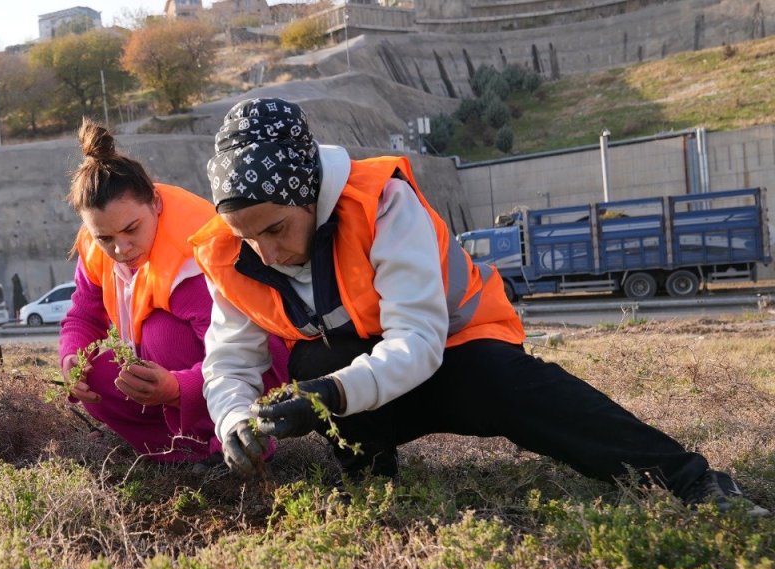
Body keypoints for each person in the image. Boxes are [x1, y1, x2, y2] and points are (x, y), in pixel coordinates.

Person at [191, 97, 765, 514]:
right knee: (315, 361)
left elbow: (418, 339)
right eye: (248, 237)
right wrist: (234, 420)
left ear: (310, 194)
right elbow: (229, 362)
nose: (266, 252)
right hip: (370, 390)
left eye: (276, 228)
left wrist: (327, 396)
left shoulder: (383, 203)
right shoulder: (226, 253)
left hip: (458, 355)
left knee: (509, 384)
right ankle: (372, 486)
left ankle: (690, 480)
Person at [60, 120, 290, 463]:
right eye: (105, 238)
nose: (121, 249)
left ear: (156, 202)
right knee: (94, 371)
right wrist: (71, 358)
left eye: (131, 229)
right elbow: (82, 316)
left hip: (258, 371)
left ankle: (232, 440)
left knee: (161, 334)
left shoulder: (195, 257)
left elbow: (251, 356)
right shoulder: (97, 249)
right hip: (172, 382)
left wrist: (178, 388)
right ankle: (180, 450)